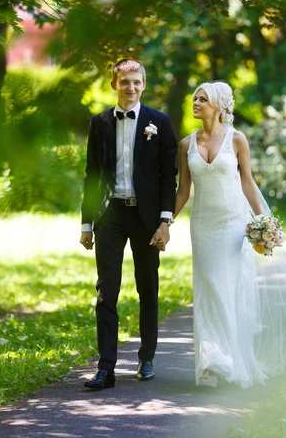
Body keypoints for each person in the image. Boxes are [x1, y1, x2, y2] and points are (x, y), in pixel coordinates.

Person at [174, 81, 286, 388]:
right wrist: (164, 222)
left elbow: (248, 183)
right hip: (203, 226)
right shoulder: (186, 145)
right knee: (209, 290)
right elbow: (183, 191)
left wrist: (266, 222)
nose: (195, 103)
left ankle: (232, 360)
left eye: (203, 99)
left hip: (234, 225)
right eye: (195, 98)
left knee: (231, 291)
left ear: (219, 106)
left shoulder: (237, 140)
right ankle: (211, 363)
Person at [80, 59, 177, 391]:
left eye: (137, 82)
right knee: (107, 291)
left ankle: (146, 357)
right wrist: (86, 223)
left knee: (147, 288)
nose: (131, 87)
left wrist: (165, 221)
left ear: (144, 85)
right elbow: (92, 175)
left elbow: (169, 176)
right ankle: (106, 368)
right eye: (125, 82)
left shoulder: (160, 123)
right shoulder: (100, 123)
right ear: (114, 84)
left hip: (147, 218)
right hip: (111, 215)